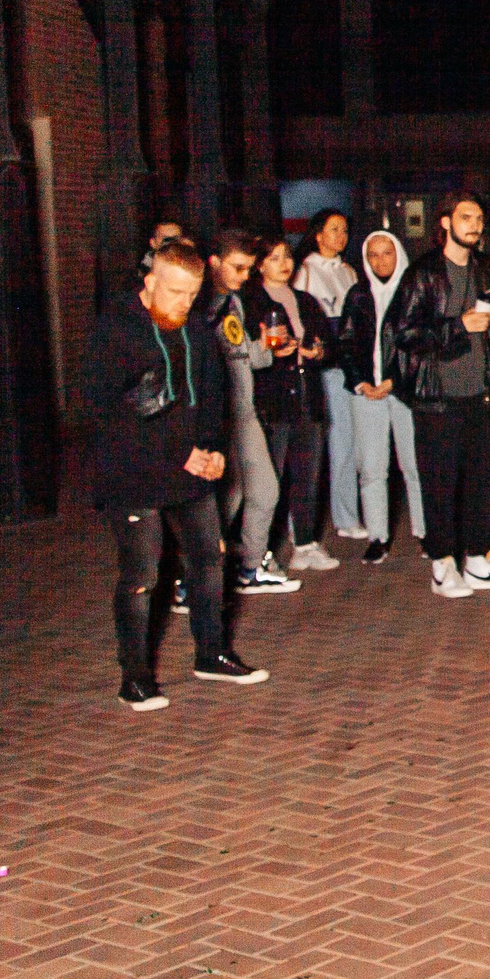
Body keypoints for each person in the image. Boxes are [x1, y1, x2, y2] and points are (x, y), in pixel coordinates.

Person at [79, 237, 265, 710]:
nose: (183, 304)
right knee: (142, 574)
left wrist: (214, 449)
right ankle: (135, 676)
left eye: (191, 294)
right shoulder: (116, 331)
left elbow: (212, 395)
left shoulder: (196, 329)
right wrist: (178, 453)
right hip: (134, 474)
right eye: (174, 292)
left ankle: (211, 652)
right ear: (150, 282)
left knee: (209, 559)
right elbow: (107, 414)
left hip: (190, 466)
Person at [390, 192, 490, 599]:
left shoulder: (487, 270)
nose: (476, 225)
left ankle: (478, 561)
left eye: (480, 218)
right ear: (446, 222)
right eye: (467, 217)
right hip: (439, 399)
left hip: (485, 396)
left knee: (485, 483)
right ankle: (442, 566)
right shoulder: (423, 273)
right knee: (439, 484)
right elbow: (404, 335)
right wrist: (456, 327)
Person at [203, 231, 298, 597]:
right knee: (224, 500)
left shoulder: (233, 303)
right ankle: (191, 579)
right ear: (215, 263)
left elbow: (243, 357)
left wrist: (270, 349)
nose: (245, 276)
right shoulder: (202, 307)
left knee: (264, 490)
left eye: (247, 268)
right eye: (238, 267)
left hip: (244, 412)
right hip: (219, 417)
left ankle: (249, 566)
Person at [245, 237, 336, 574]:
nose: (283, 264)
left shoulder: (306, 301)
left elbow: (328, 343)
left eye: (287, 257)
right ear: (260, 265)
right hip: (274, 403)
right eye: (274, 257)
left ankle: (306, 542)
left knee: (307, 476)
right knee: (270, 479)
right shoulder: (251, 302)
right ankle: (260, 550)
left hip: (308, 400)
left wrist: (318, 352)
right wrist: (271, 351)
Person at [338, 230, 428, 564]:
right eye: (372, 255)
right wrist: (362, 383)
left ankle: (425, 532)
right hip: (366, 394)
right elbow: (345, 343)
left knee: (414, 464)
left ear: (398, 253)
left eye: (386, 253)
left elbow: (420, 344)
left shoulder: (413, 292)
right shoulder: (358, 294)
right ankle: (378, 536)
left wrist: (394, 379)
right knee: (372, 467)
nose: (380, 261)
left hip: (403, 391)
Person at [292, 209, 364, 542]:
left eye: (345, 230)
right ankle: (302, 526)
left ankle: (346, 516)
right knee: (316, 447)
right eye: (334, 229)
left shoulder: (348, 271)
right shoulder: (304, 271)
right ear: (318, 234)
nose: (341, 236)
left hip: (344, 365)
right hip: (319, 369)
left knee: (346, 442)